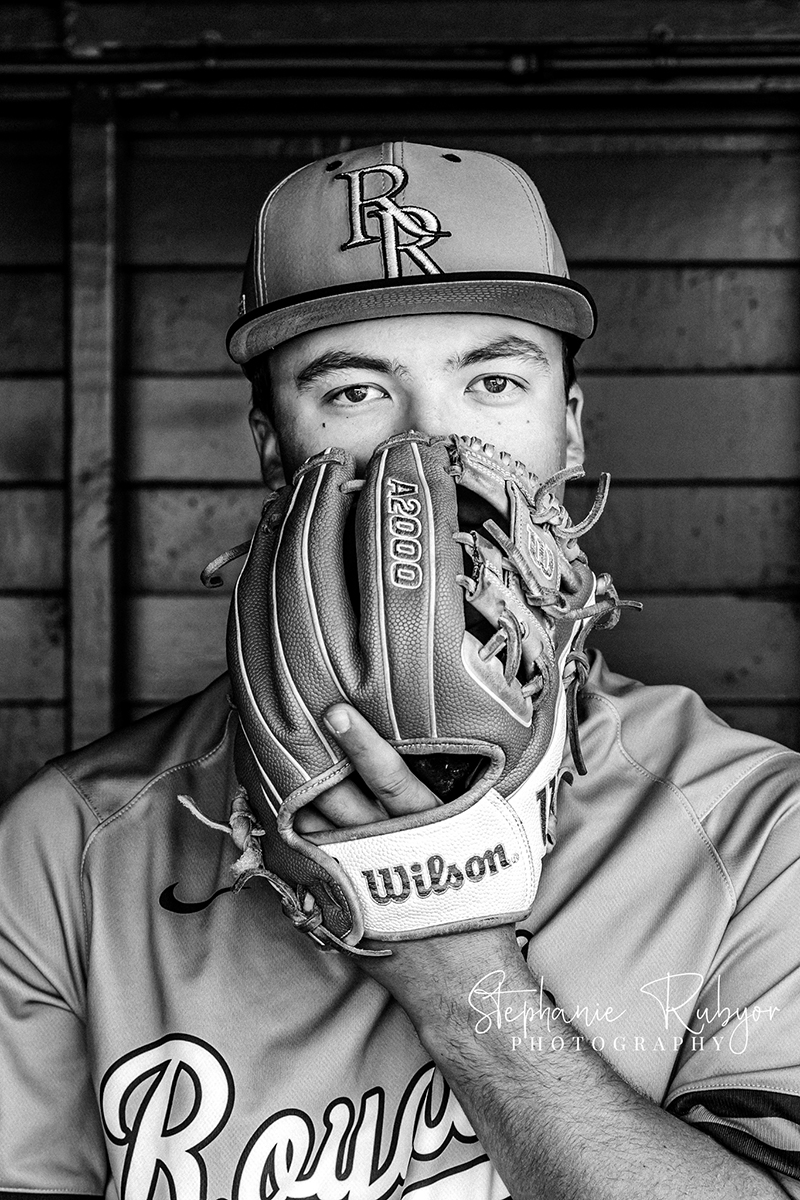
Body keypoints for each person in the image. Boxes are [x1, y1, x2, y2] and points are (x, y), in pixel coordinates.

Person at [1, 142, 798, 1200]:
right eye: (354, 393)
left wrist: (446, 961)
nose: (428, 444)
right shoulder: (69, 843)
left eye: (492, 379)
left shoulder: (756, 833)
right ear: (270, 446)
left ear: (567, 426)